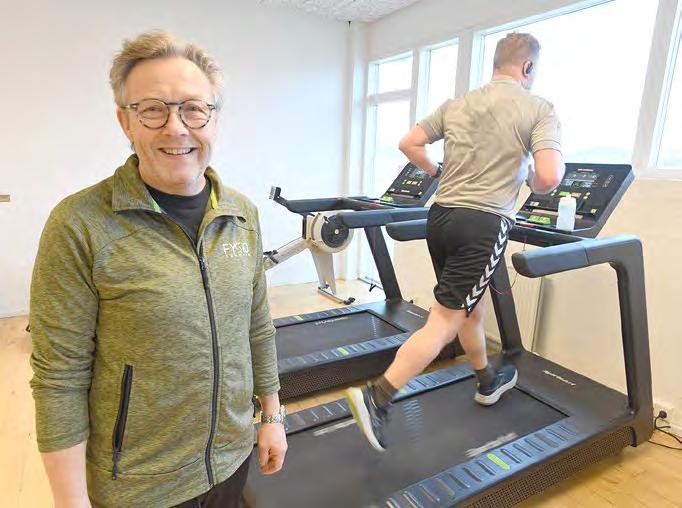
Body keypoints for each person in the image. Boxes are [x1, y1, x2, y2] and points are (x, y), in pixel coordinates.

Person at [29, 30, 287, 507]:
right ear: (125, 121)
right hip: (140, 487)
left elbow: (257, 326)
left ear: (213, 118)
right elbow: (59, 377)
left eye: (193, 108)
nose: (176, 128)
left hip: (233, 460)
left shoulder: (242, 215)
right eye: (152, 109)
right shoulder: (80, 224)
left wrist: (271, 416)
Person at [345, 33, 565, 451]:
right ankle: (378, 397)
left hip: (441, 217)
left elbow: (408, 143)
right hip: (483, 223)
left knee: (469, 309)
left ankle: (486, 380)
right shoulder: (539, 108)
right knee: (444, 321)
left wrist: (436, 172)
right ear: (528, 67)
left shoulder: (458, 104)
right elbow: (549, 176)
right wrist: (533, 182)